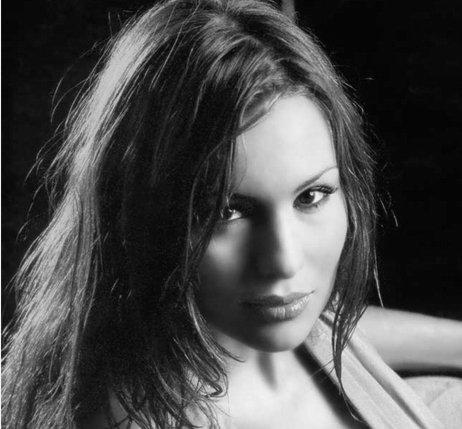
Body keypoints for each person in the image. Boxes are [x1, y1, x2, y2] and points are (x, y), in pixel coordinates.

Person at [2, 0, 461, 428]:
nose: (283, 260)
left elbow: (330, 326)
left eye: (311, 196)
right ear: (142, 216)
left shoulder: (267, 323)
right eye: (227, 211)